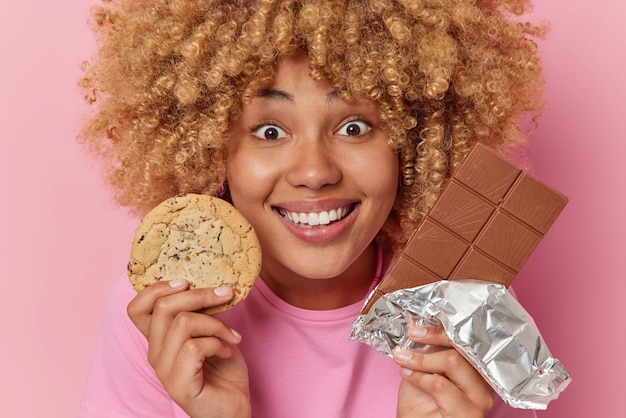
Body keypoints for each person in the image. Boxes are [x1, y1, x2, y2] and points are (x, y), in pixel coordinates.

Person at [78, 0, 547, 417]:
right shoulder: (164, 317)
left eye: (355, 126)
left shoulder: (469, 314)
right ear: (212, 150)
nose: (314, 171)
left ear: (413, 143)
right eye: (269, 132)